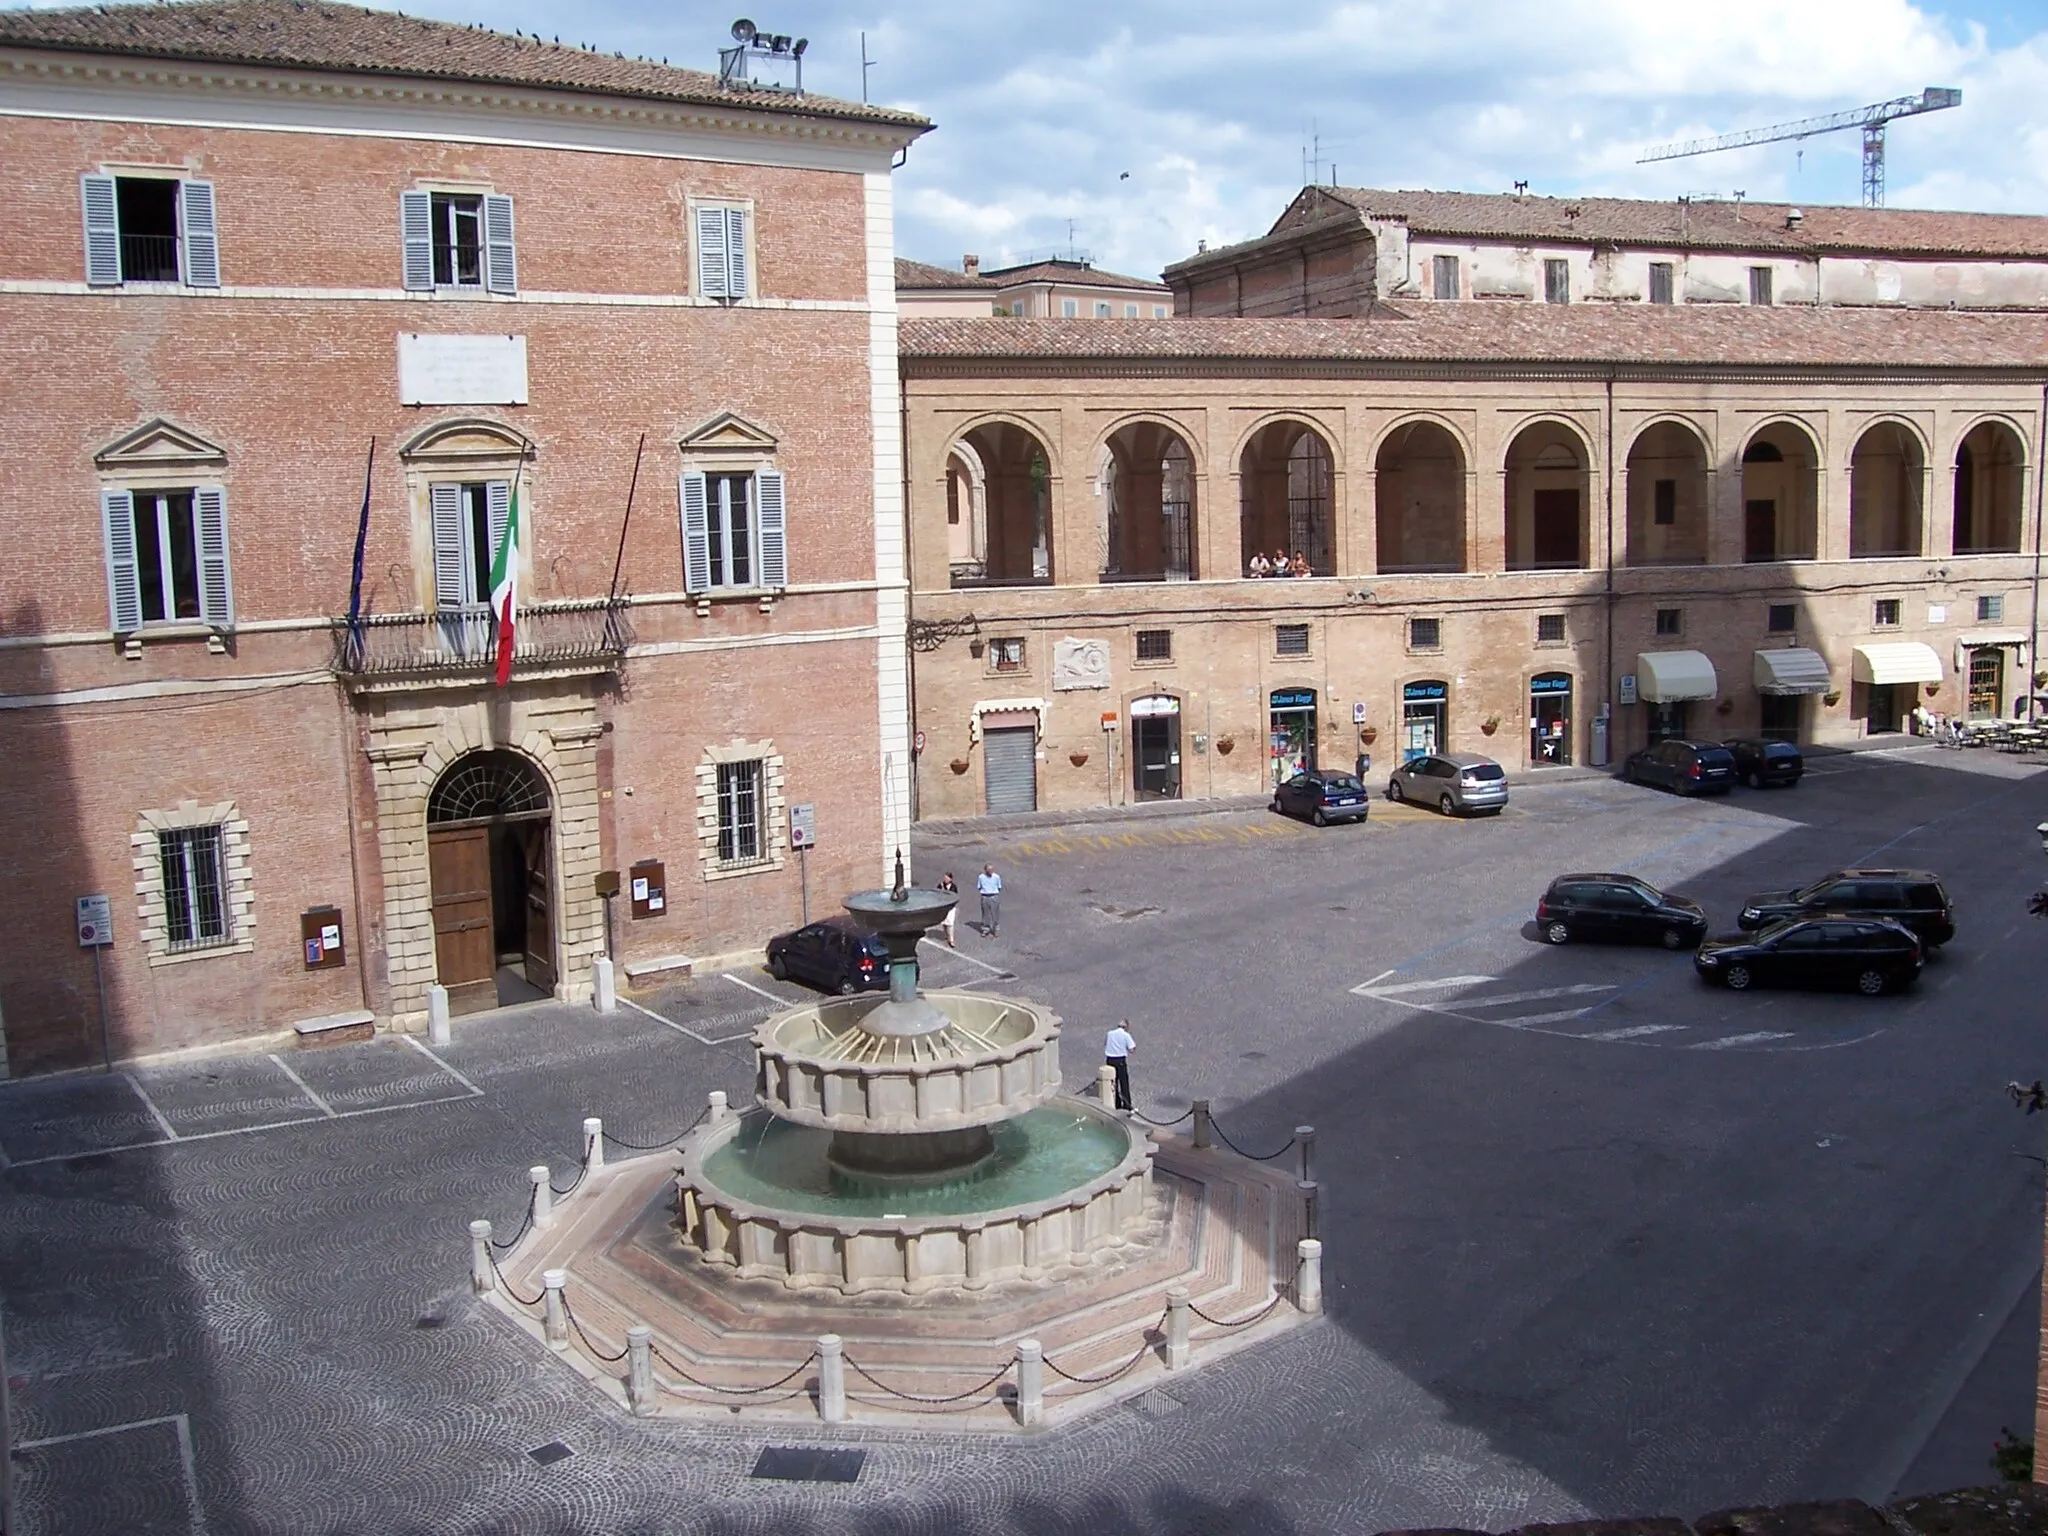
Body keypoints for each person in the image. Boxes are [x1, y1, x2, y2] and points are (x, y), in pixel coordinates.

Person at [1104, 1019, 1135, 1112]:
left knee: (1113, 1083)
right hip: (1120, 1060)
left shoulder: (1109, 1033)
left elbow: (1105, 1044)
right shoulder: (1126, 1035)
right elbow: (1131, 1049)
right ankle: (1127, 1105)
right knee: (1124, 1083)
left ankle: (1116, 1103)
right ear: (1126, 1027)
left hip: (1110, 1060)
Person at [976, 863, 1002, 937]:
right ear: (985, 870)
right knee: (985, 914)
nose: (991, 871)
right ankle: (985, 929)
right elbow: (979, 887)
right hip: (985, 896)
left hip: (994, 896)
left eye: (992, 869)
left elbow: (999, 887)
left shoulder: (996, 877)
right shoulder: (981, 877)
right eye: (989, 870)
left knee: (995, 914)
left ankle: (996, 929)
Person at [936, 872, 959, 947]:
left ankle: (951, 940)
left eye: (947, 878)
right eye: (944, 878)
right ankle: (946, 934)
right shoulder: (940, 885)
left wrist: (944, 889)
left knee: (950, 923)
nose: (945, 879)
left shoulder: (953, 886)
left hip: (951, 907)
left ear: (950, 879)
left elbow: (951, 895)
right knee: (944, 922)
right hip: (943, 906)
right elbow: (937, 893)